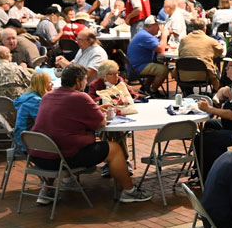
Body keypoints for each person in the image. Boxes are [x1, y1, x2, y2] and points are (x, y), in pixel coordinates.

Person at [29, 64, 151, 203]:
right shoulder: (80, 97)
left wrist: (95, 107)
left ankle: (47, 190)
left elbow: (66, 114)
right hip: (62, 159)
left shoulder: (48, 96)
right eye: (85, 79)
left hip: (39, 156)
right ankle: (129, 192)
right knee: (115, 149)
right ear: (77, 81)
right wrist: (95, 110)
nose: (86, 83)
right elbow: (101, 123)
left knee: (54, 141)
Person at [176, 18, 224, 91]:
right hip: (203, 76)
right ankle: (215, 92)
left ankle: (187, 93)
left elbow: (180, 54)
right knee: (214, 70)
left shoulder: (183, 40)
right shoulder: (210, 41)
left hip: (183, 76)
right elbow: (221, 50)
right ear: (204, 29)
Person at [125, 16, 169, 94]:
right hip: (137, 67)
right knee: (163, 70)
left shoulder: (144, 34)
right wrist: (164, 34)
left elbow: (160, 45)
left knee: (157, 64)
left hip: (137, 64)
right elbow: (161, 49)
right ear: (149, 27)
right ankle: (152, 91)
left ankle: (145, 88)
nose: (159, 28)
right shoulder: (145, 36)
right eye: (157, 26)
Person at [13, 70, 52, 153]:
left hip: (22, 138)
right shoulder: (35, 101)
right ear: (43, 85)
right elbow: (44, 122)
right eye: (49, 82)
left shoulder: (27, 95)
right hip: (27, 143)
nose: (52, 84)